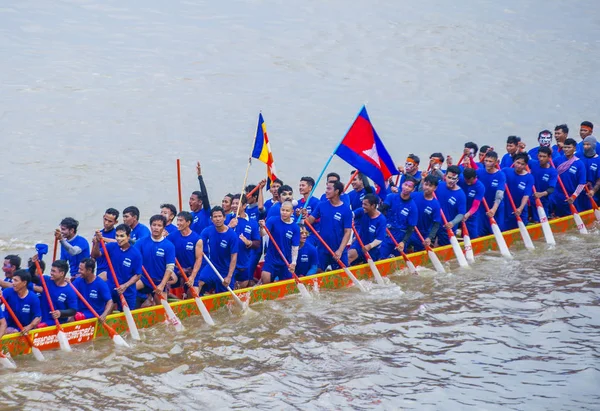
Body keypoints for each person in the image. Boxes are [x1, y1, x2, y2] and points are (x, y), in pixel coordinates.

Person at [92, 224, 142, 311]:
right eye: (117, 236)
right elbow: (95, 255)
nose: (118, 239)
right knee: (103, 310)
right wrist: (97, 242)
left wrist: (125, 286)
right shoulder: (111, 246)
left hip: (127, 292)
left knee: (126, 318)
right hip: (111, 288)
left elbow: (138, 275)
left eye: (122, 236)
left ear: (128, 237)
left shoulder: (136, 254)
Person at [190, 207, 238, 296]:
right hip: (212, 267)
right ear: (211, 219)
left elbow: (234, 257)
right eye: (215, 217)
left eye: (220, 216)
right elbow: (198, 242)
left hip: (226, 270)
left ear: (224, 218)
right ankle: (196, 305)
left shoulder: (232, 235)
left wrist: (229, 276)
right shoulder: (207, 231)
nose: (218, 219)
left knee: (225, 298)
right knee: (199, 282)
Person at [306, 181, 353, 271]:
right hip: (322, 248)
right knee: (318, 272)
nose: (326, 191)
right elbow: (309, 221)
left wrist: (340, 250)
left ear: (336, 191)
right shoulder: (321, 205)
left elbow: (348, 232)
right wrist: (304, 216)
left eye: (329, 189)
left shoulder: (346, 210)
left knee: (343, 276)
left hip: (338, 249)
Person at [134, 215, 176, 306]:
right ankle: (146, 299)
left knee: (162, 309)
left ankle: (150, 299)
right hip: (143, 279)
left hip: (159, 281)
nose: (156, 228)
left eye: (159, 225)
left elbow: (170, 267)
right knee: (127, 290)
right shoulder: (140, 242)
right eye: (154, 225)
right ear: (150, 226)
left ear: (164, 228)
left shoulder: (169, 246)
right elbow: (132, 258)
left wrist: (162, 284)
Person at [260, 201, 300, 283]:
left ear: (292, 212)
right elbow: (263, 233)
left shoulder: (295, 227)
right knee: (265, 278)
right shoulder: (272, 220)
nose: (284, 213)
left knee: (286, 288)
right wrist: (261, 227)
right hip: (271, 259)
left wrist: (294, 263)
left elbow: (295, 247)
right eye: (283, 210)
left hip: (285, 261)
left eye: (287, 211)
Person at [227, 195, 261, 289]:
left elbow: (257, 243)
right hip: (228, 261)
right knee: (229, 285)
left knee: (243, 283)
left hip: (243, 261)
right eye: (233, 203)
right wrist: (229, 226)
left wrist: (249, 243)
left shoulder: (252, 223)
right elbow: (219, 237)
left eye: (237, 204)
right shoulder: (227, 219)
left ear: (244, 206)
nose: (234, 206)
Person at [379, 177, 418, 258]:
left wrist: (403, 242)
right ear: (401, 185)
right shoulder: (391, 197)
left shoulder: (413, 207)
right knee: (380, 257)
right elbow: (381, 210)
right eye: (405, 185)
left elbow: (411, 228)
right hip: (387, 233)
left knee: (397, 262)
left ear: (413, 190)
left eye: (409, 186)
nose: (406, 188)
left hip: (401, 236)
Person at [167, 211, 203, 298]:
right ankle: (170, 295)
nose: (178, 223)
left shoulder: (197, 239)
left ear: (188, 222)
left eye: (181, 221)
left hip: (190, 271)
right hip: (176, 269)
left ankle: (187, 295)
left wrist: (192, 277)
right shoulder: (172, 236)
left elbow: (198, 259)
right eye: (178, 220)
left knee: (193, 294)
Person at [550, 138, 586, 217]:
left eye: (569, 147)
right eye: (565, 147)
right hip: (556, 195)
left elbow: (582, 183)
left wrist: (573, 197)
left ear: (574, 148)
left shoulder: (579, 164)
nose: (566, 149)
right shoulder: (557, 160)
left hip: (570, 197)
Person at [348, 194, 387, 264]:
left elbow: (379, 239)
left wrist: (369, 246)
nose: (363, 206)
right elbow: (351, 214)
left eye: (365, 205)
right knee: (349, 256)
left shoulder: (381, 220)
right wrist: (349, 218)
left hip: (373, 248)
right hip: (359, 243)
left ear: (373, 206)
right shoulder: (362, 211)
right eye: (362, 204)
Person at [0, 270, 41, 334]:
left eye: (16, 280)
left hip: (23, 329)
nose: (13, 283)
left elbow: (38, 317)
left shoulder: (33, 298)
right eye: (13, 280)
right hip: (8, 325)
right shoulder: (8, 292)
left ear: (24, 283)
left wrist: (29, 326)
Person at [39, 260, 78, 326]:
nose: (51, 273)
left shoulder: (69, 291)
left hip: (56, 323)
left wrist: (60, 313)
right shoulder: (46, 280)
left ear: (62, 273)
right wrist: (35, 263)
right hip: (41, 319)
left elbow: (73, 310)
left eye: (53, 271)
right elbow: (30, 277)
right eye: (51, 270)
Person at [435, 166, 467, 246]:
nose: (451, 181)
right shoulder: (438, 185)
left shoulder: (460, 195)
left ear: (457, 179)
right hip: (433, 225)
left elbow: (461, 214)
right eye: (449, 178)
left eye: (454, 179)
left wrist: (452, 223)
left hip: (447, 228)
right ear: (445, 176)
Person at [408, 175, 441, 252]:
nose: (427, 187)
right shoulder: (414, 195)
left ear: (435, 188)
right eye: (426, 184)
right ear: (423, 184)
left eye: (430, 186)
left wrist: (429, 237)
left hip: (422, 235)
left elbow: (436, 224)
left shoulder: (435, 205)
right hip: (409, 231)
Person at [477, 151, 506, 235]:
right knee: (481, 232)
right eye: (486, 161)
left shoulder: (500, 175)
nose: (487, 163)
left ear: (496, 162)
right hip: (482, 208)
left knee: (497, 232)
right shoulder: (479, 172)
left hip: (496, 208)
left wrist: (493, 209)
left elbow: (499, 194)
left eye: (490, 161)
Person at [502, 153, 534, 230]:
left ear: (526, 165)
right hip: (506, 207)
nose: (519, 166)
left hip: (520, 210)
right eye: (518, 163)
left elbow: (526, 195)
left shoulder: (529, 177)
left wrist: (520, 208)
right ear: (514, 162)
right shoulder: (505, 171)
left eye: (522, 164)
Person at [529, 146, 558, 221]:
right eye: (540, 156)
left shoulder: (553, 172)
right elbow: (521, 158)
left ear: (549, 157)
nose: (541, 159)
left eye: (544, 156)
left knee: (540, 220)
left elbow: (551, 189)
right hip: (530, 200)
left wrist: (541, 194)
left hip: (544, 201)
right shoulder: (533, 163)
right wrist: (519, 149)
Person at [93, 208, 119, 281]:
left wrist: (102, 239)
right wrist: (96, 242)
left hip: (111, 271)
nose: (106, 223)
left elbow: (119, 242)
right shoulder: (98, 234)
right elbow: (93, 256)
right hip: (99, 269)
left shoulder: (117, 234)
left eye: (110, 221)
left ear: (115, 222)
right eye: (105, 219)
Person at [459, 167, 485, 239]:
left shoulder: (480, 187)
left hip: (471, 214)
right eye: (466, 179)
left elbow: (475, 206)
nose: (467, 182)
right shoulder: (461, 179)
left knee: (473, 235)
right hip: (459, 211)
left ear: (475, 177)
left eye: (469, 180)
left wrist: (467, 214)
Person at [190, 161, 212, 235]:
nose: (190, 201)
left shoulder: (206, 212)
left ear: (200, 202)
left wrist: (200, 177)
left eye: (192, 199)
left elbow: (205, 196)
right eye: (190, 199)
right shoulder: (190, 215)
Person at [579, 136, 600, 210]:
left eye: (588, 145)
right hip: (579, 194)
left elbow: (599, 179)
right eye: (584, 144)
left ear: (593, 145)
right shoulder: (579, 157)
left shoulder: (598, 160)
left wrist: (593, 191)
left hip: (592, 195)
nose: (585, 147)